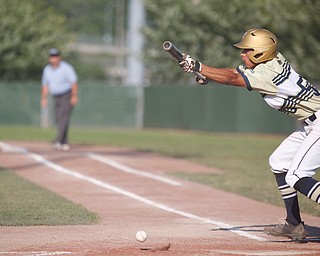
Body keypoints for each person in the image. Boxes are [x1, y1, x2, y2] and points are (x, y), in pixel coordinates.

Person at [179, 28, 320, 241]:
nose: (242, 54)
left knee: (296, 175)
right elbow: (234, 74)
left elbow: (232, 77)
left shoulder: (268, 74)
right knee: (278, 162)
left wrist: (199, 66)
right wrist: (206, 74)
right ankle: (294, 224)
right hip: (310, 124)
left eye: (247, 50)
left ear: (261, 53)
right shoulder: (271, 63)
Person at [41, 48, 78, 151]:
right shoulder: (47, 70)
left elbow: (73, 82)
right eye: (52, 57)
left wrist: (74, 96)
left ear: (59, 57)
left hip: (66, 95)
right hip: (55, 97)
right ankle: (64, 142)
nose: (54, 59)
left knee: (63, 117)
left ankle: (58, 141)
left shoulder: (66, 68)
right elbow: (45, 85)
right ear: (49, 58)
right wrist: (44, 98)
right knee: (59, 118)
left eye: (56, 56)